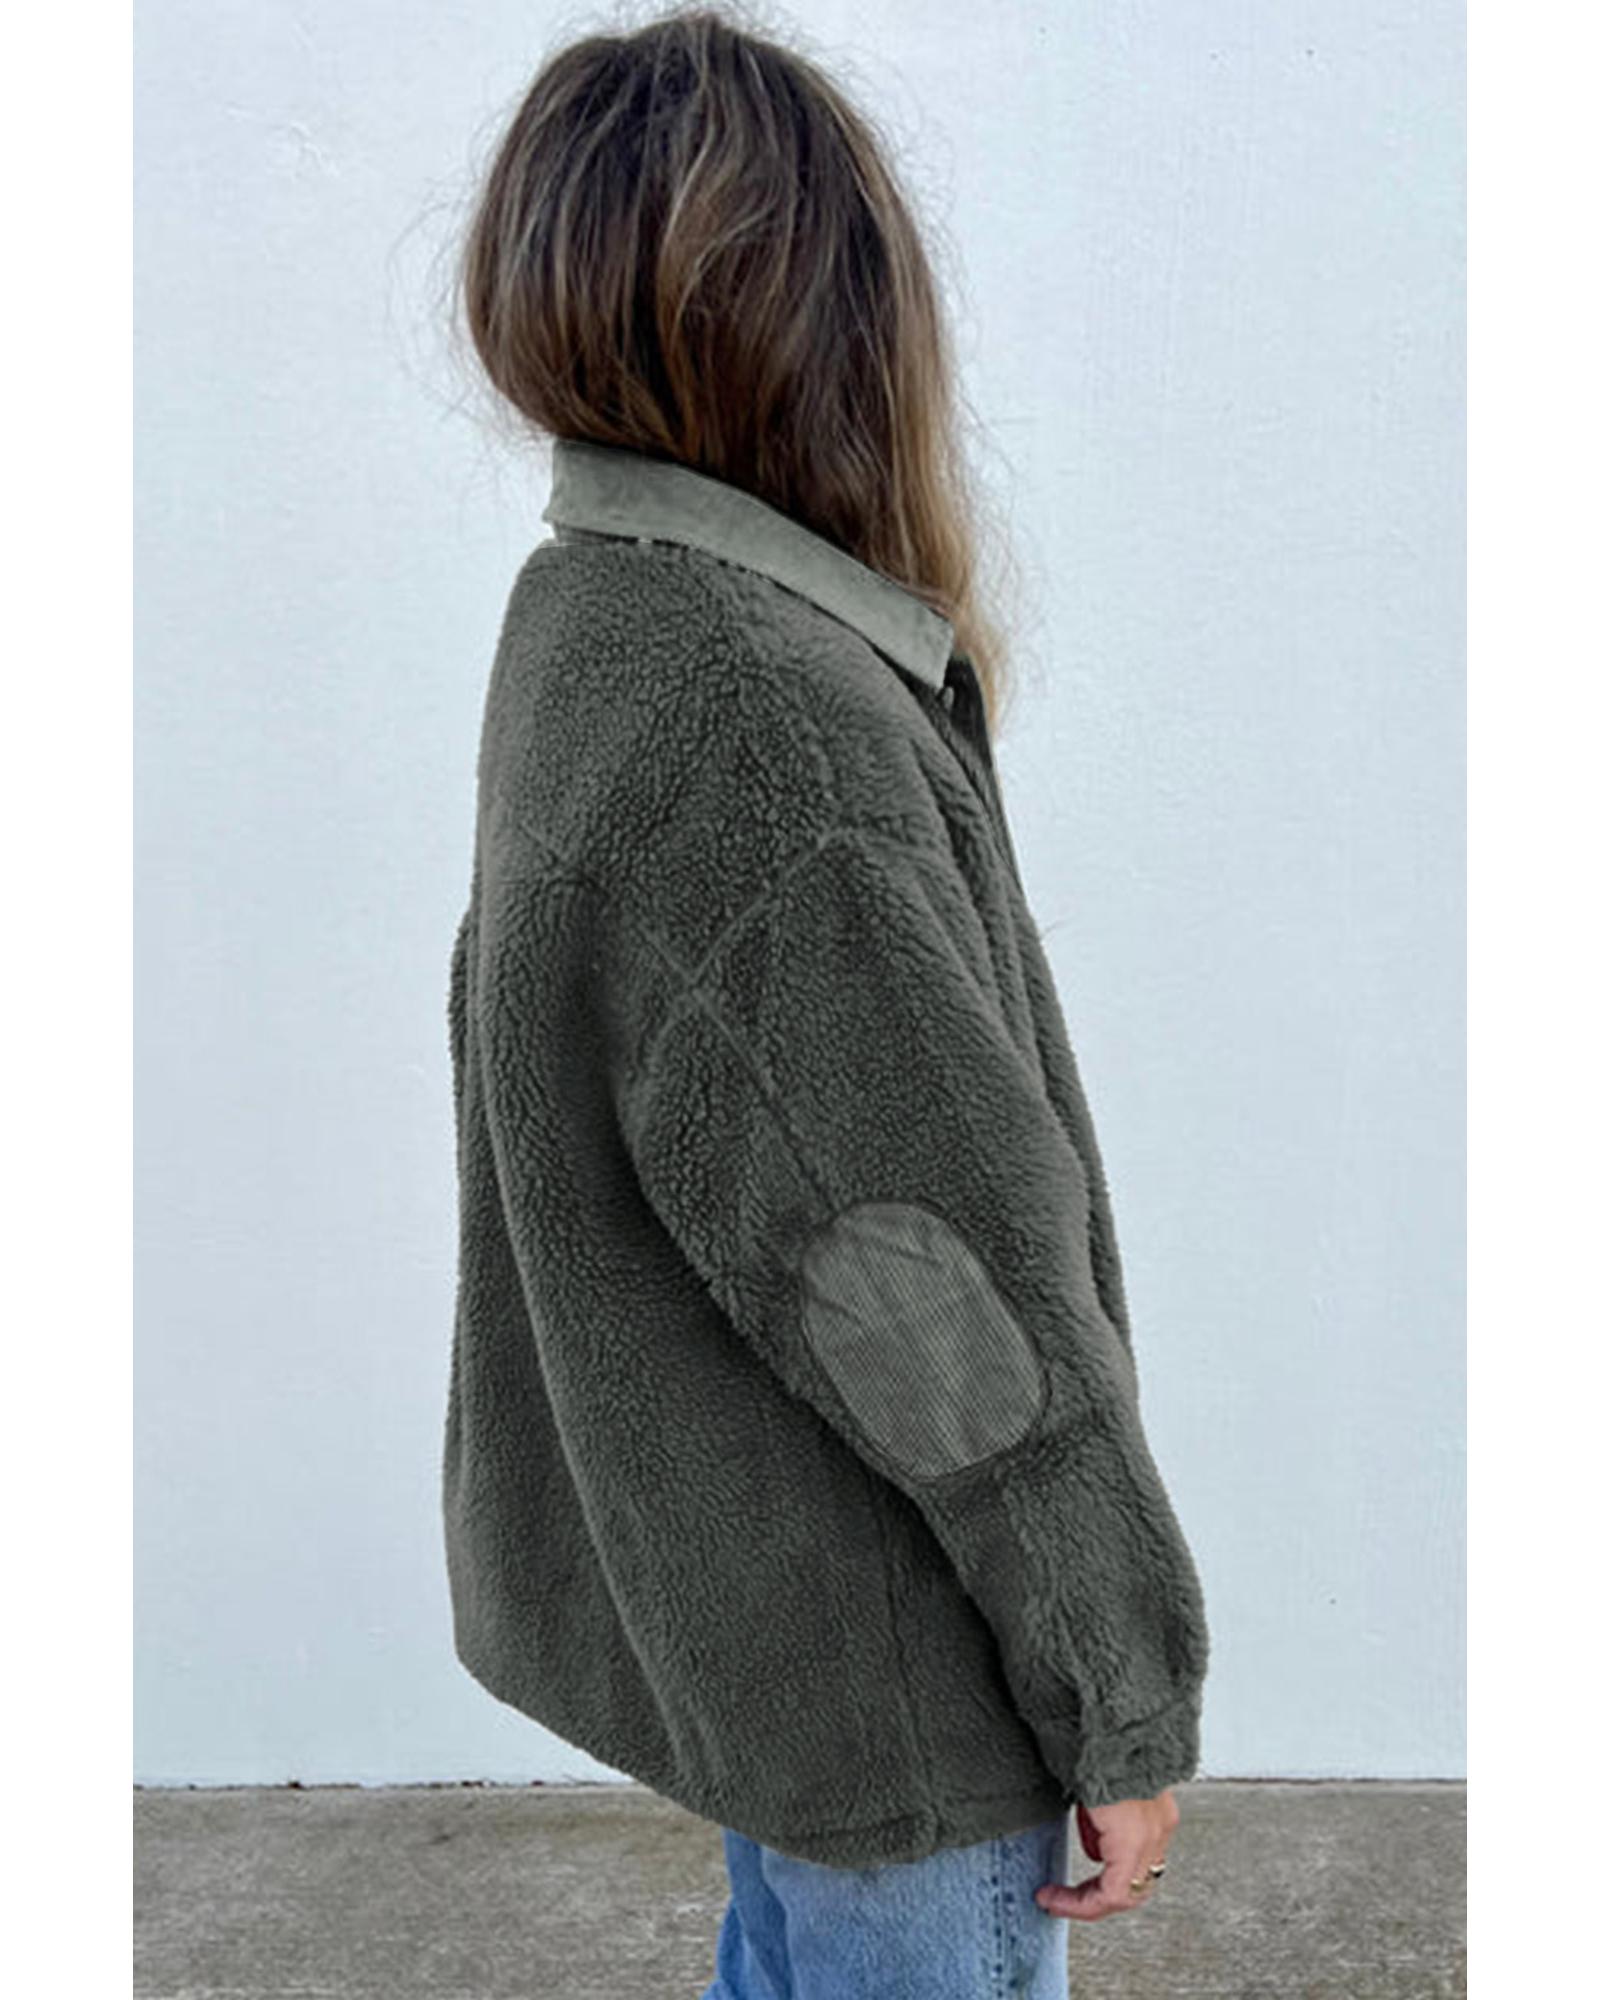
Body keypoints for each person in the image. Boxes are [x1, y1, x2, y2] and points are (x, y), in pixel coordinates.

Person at [442, 7, 1209, 1995]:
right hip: (892, 1705)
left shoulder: (594, 605)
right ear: (840, 317)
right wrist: (1114, 1687)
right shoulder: (757, 718)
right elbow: (924, 1280)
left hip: (771, 1651)